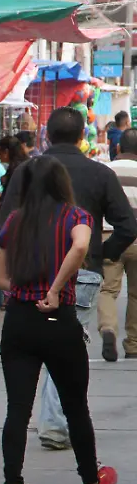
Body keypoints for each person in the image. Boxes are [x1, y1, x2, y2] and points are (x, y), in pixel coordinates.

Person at [0, 107, 137, 450]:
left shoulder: (26, 172)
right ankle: (57, 425)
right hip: (82, 273)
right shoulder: (98, 173)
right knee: (67, 345)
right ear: (80, 138)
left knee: (38, 347)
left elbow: (6, 220)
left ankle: (48, 424)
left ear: (46, 135)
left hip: (29, 276)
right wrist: (102, 253)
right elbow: (127, 225)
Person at [0, 156, 118, 484]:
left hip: (18, 320)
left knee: (17, 408)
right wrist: (55, 289)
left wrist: (25, 290)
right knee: (75, 405)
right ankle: (91, 481)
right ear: (63, 184)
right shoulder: (76, 217)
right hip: (57, 321)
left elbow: (0, 279)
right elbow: (80, 246)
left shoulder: (15, 221)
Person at [98, 127, 137, 361]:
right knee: (136, 294)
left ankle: (108, 329)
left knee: (108, 290)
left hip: (110, 236)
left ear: (118, 147)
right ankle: (133, 344)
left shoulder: (105, 171)